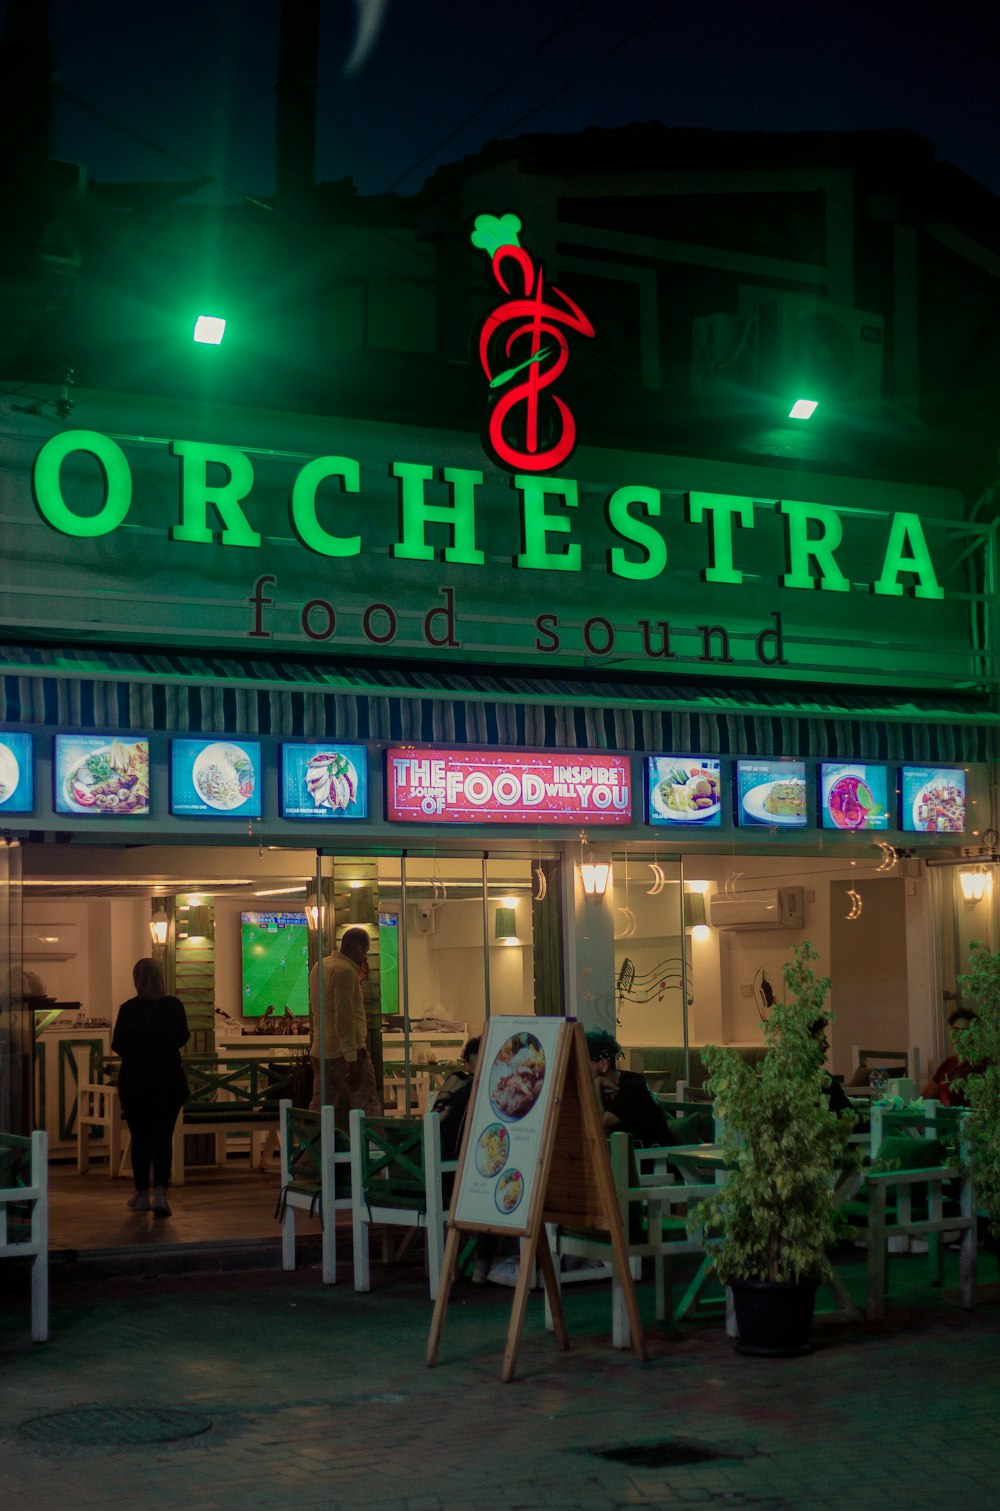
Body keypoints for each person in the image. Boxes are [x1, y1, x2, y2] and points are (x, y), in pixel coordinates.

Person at [111, 957, 190, 1216]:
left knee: (141, 1137)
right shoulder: (174, 1006)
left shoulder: (129, 1009)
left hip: (136, 1082)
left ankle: (142, 1193)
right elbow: (182, 1037)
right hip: (168, 1081)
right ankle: (160, 1195)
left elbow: (119, 1045)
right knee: (162, 1137)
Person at [309, 926, 381, 1115]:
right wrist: (352, 1059)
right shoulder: (345, 972)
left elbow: (328, 1007)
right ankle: (374, 1145)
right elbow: (344, 1019)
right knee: (367, 1106)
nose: (365, 957)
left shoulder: (320, 966)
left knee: (320, 1109)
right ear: (359, 948)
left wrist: (357, 981)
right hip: (346, 1054)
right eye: (366, 951)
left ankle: (314, 1144)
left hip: (321, 1051)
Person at [585, 1028, 670, 1146]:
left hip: (654, 1157)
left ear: (603, 1064)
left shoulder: (633, 1085)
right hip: (624, 1155)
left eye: (585, 1063)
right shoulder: (603, 1089)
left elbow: (598, 1124)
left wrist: (596, 1084)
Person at [432, 1036, 480, 1161]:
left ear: (467, 1064)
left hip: (438, 1154)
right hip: (463, 1162)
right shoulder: (487, 1090)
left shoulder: (454, 1081)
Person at [923, 1007, 982, 1106]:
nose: (960, 1035)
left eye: (965, 1030)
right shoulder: (948, 1063)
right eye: (956, 1029)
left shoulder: (980, 1064)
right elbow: (926, 1096)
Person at [809, 1017, 854, 1116]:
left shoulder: (777, 1081)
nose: (827, 1045)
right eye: (822, 1041)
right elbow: (852, 1118)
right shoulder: (827, 1082)